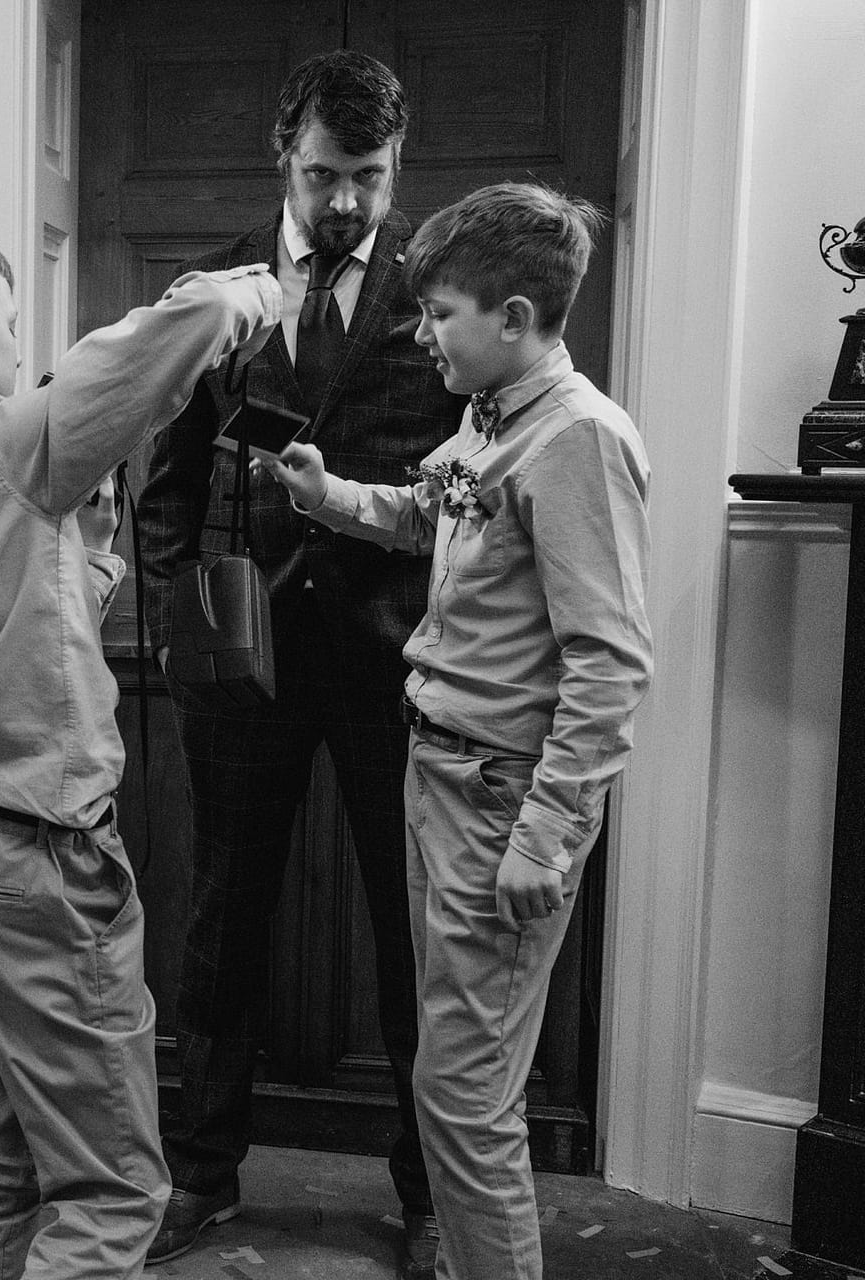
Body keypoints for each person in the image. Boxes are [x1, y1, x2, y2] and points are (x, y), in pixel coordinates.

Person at [0, 219, 280, 1279]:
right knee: (114, 1186)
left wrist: (85, 545)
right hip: (41, 864)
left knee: (0, 1158)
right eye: (4, 321)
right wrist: (264, 288)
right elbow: (176, 330)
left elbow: (19, 626)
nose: (13, 343)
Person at [259, 182, 651, 1280]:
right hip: (438, 773)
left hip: (499, 802)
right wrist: (328, 492)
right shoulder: (488, 418)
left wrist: (548, 834)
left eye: (440, 313)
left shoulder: (578, 442)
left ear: (518, 317)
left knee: (469, 1097)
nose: (421, 331)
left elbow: (611, 661)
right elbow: (428, 514)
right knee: (450, 1075)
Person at [133, 50, 464, 1274]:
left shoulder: (443, 285)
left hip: (397, 659)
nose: (345, 203)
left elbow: (469, 470)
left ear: (396, 167)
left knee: (413, 933)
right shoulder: (212, 289)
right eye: (325, 174)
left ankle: (430, 1196)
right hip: (242, 657)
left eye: (369, 177)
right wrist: (177, 616)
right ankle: (203, 1174)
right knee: (221, 919)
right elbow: (160, 479)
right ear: (285, 154)